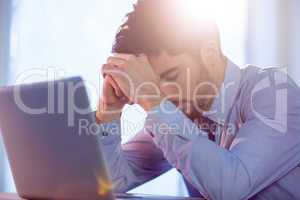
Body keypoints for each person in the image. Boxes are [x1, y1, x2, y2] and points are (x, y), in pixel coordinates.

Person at [95, 0, 300, 199]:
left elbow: (230, 189)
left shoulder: (274, 92)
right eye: (150, 82)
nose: (164, 93)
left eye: (171, 76)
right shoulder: (178, 113)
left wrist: (150, 96)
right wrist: (109, 112)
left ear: (209, 53)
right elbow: (111, 183)